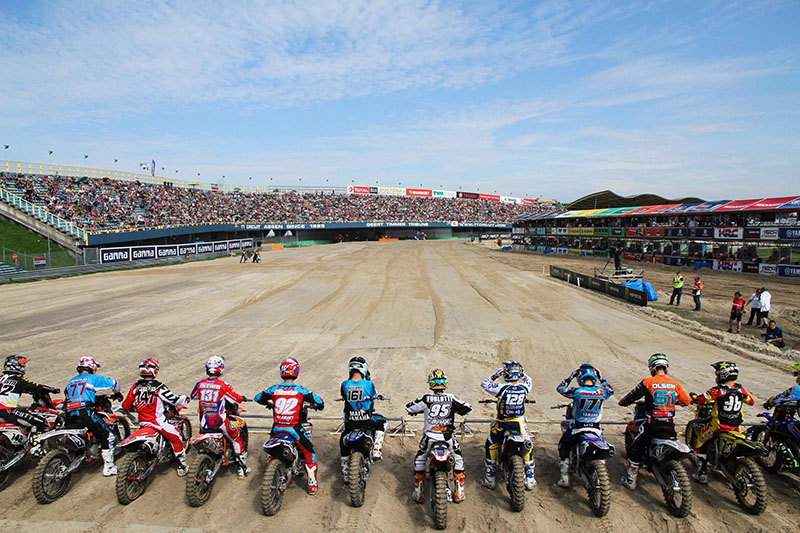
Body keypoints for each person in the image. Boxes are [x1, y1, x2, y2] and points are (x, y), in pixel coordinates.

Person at [618, 353, 691, 490]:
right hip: (669, 425)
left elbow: (631, 396)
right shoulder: (674, 384)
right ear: (666, 367)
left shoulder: (648, 382)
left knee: (635, 447)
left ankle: (631, 480)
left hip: (651, 424)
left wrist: (623, 402)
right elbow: (686, 401)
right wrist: (674, 401)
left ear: (652, 367)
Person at [254, 358, 324, 494]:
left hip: (277, 428)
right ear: (296, 371)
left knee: (270, 445)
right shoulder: (300, 390)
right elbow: (319, 401)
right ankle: (312, 483)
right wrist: (317, 405)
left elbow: (257, 398)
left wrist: (269, 403)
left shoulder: (274, 389)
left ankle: (272, 466)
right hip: (293, 429)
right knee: (310, 451)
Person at [405, 369, 472, 503]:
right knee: (458, 458)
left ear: (431, 383)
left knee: (420, 459)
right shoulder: (451, 398)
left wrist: (415, 411)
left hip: (430, 437)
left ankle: (418, 492)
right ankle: (459, 491)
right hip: (447, 437)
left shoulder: (426, 399)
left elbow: (409, 408)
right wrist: (459, 410)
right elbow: (467, 407)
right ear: (445, 383)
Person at [689, 362, 755, 483]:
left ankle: (701, 473)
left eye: (717, 374)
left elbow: (701, 399)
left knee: (700, 441)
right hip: (736, 425)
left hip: (719, 425)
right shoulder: (740, 389)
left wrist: (694, 397)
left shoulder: (718, 390)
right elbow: (751, 401)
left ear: (722, 375)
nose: (716, 377)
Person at [122, 358, 189, 476]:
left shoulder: (135, 387)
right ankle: (182, 463)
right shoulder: (159, 387)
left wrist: (136, 407)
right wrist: (184, 398)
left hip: (142, 422)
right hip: (157, 422)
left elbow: (125, 405)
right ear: (154, 371)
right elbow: (172, 399)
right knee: (176, 437)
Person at [555, 364, 614, 487]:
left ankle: (564, 477)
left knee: (563, 445)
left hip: (578, 428)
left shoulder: (577, 391)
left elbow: (560, 388)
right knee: (602, 444)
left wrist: (570, 377)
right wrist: (601, 378)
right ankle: (600, 472)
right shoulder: (602, 391)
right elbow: (611, 390)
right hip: (595, 429)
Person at [480, 361, 536, 490]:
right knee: (528, 443)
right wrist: (522, 373)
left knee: (491, 443)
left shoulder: (501, 388)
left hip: (503, 423)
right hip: (518, 423)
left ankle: (490, 477)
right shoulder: (524, 387)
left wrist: (496, 374)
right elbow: (530, 380)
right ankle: (530, 477)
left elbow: (484, 384)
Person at [190, 355, 249, 478]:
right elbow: (236, 399)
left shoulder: (200, 384)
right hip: (219, 422)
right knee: (236, 438)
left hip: (203, 423)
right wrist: (241, 398)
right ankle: (242, 468)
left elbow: (193, 396)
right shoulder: (223, 385)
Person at [64, 356, 121, 476]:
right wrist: (118, 393)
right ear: (92, 367)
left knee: (75, 435)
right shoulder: (93, 378)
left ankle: (73, 463)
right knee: (108, 435)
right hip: (85, 412)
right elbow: (114, 383)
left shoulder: (71, 381)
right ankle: (109, 467)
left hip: (69, 413)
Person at [338, 357, 386, 481]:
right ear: (363, 368)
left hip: (351, 422)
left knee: (343, 439)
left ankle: (345, 470)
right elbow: (374, 395)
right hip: (366, 419)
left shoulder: (345, 384)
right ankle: (376, 449)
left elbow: (343, 395)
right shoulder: (368, 384)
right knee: (383, 422)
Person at [0, 355, 60, 434]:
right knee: (41, 422)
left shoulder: (1, 378)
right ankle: (37, 444)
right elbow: (36, 388)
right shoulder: (19, 380)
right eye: (22, 363)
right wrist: (52, 389)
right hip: (7, 411)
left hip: (6, 411)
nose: (23, 366)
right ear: (15, 365)